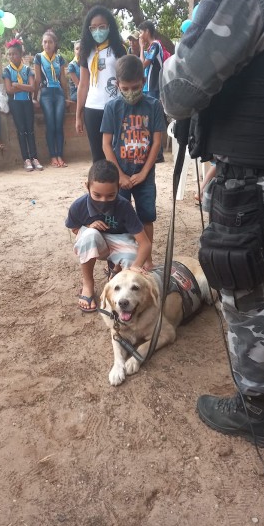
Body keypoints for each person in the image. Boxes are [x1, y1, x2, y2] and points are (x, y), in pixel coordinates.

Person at [160, 0, 264, 449]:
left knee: (251, 290)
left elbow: (179, 90)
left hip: (259, 184)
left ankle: (256, 413)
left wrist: (178, 51)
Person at [101, 55, 166, 269]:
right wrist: (119, 175)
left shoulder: (154, 105)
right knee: (119, 218)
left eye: (135, 87)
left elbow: (157, 142)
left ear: (144, 82)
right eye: (125, 88)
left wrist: (144, 173)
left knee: (146, 215)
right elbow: (106, 145)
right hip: (120, 175)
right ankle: (120, 260)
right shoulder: (111, 108)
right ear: (117, 84)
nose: (130, 92)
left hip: (144, 175)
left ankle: (146, 261)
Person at [65, 159, 151, 312]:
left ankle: (118, 274)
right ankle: (88, 283)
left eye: (110, 195)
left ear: (118, 188)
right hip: (96, 243)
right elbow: (74, 228)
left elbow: (144, 243)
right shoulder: (78, 206)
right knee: (89, 235)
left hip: (119, 242)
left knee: (133, 257)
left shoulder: (124, 206)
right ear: (87, 186)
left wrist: (135, 267)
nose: (103, 201)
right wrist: (88, 227)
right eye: (97, 195)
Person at [75, 5, 126, 163]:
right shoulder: (86, 51)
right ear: (88, 29)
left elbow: (125, 80)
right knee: (98, 156)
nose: (98, 31)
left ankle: (118, 187)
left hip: (115, 107)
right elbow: (83, 85)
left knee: (117, 153)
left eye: (102, 27)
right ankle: (101, 188)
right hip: (92, 109)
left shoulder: (119, 49)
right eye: (94, 27)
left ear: (109, 27)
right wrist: (78, 115)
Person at [3, 39, 43, 172]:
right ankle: (26, 159)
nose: (12, 56)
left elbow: (32, 87)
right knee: (21, 131)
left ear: (20, 54)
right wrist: (24, 87)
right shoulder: (7, 70)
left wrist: (18, 85)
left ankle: (34, 157)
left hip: (27, 102)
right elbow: (9, 90)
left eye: (14, 54)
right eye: (9, 54)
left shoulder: (27, 69)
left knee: (30, 130)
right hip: (15, 103)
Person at [34, 31, 69, 168]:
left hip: (58, 93)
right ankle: (53, 156)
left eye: (50, 42)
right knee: (51, 124)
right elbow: (37, 79)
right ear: (42, 43)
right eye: (45, 42)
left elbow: (63, 79)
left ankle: (60, 155)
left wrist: (66, 97)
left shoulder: (59, 58)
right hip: (46, 93)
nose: (47, 44)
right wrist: (34, 98)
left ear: (55, 44)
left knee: (59, 125)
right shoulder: (38, 57)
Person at [138, 20, 166, 163]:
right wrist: (142, 48)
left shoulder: (155, 45)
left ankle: (159, 154)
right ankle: (155, 152)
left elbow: (143, 65)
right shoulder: (150, 47)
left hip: (155, 87)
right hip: (149, 87)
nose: (140, 35)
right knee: (150, 119)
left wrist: (142, 48)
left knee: (155, 119)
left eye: (141, 32)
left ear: (147, 31)